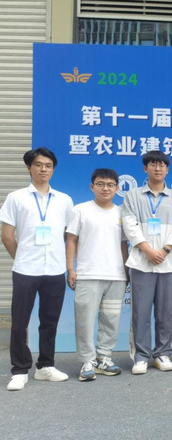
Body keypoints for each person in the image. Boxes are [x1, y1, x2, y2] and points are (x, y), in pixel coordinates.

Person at [0, 147, 73, 391]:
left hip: (55, 269)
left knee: (50, 321)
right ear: (29, 167)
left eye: (48, 165)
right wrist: (21, 257)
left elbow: (68, 235)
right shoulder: (16, 198)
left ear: (53, 169)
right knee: (20, 321)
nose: (44, 169)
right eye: (39, 165)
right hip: (25, 270)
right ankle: (20, 370)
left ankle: (45, 366)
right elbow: (7, 235)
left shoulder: (64, 200)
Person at [122, 150, 172, 375]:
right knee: (140, 310)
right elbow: (129, 226)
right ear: (145, 168)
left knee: (166, 311)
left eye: (162, 165)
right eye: (153, 164)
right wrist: (148, 250)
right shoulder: (132, 196)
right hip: (141, 262)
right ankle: (141, 356)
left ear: (167, 170)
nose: (157, 168)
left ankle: (162, 353)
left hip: (167, 263)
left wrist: (165, 250)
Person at [66, 168, 129, 381]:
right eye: (100, 184)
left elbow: (123, 244)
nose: (105, 188)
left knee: (111, 319)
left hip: (116, 276)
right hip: (88, 274)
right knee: (85, 320)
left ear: (117, 188)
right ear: (92, 186)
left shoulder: (121, 212)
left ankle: (104, 357)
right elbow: (71, 240)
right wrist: (71, 269)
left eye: (110, 185)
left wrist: (126, 270)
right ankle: (87, 360)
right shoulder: (80, 210)